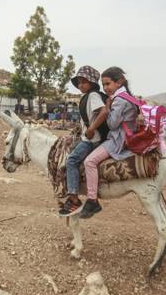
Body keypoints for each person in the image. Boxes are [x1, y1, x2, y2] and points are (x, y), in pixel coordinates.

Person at [80, 67, 138, 219]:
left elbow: (112, 124)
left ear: (119, 82)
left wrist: (107, 107)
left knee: (89, 161)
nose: (105, 88)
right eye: (103, 85)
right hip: (124, 136)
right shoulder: (128, 96)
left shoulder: (119, 100)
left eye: (108, 84)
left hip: (118, 140)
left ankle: (92, 200)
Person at [59, 66, 108, 216]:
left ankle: (74, 198)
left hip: (92, 140)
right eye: (78, 82)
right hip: (88, 137)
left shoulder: (93, 96)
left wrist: (92, 128)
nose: (80, 85)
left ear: (92, 83)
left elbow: (104, 111)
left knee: (72, 161)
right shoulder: (89, 96)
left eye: (83, 82)